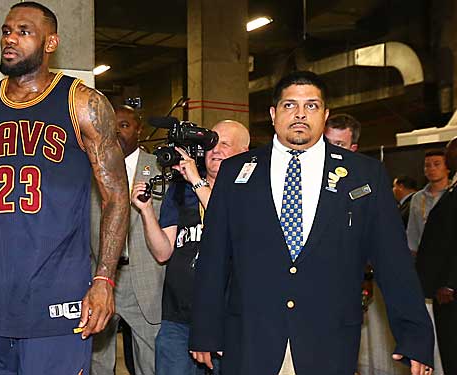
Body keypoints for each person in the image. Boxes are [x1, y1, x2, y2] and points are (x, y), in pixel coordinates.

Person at [189, 71, 434, 375]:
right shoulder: (235, 173)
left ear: (325, 115)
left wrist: (415, 336)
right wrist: (204, 327)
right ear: (273, 113)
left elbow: (393, 260)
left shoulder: (364, 175)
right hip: (251, 338)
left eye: (312, 106)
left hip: (329, 341)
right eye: (290, 105)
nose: (301, 114)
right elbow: (213, 257)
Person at [0, 2, 129, 374]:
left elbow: (116, 197)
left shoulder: (83, 104)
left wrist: (105, 278)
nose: (10, 39)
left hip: (60, 301)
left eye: (24, 32)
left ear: (50, 42)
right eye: (7, 31)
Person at [132, 120, 250, 375]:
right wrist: (145, 212)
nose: (216, 150)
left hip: (227, 318)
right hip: (178, 317)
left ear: (243, 152)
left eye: (226, 145)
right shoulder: (180, 190)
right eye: (212, 143)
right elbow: (163, 252)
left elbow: (230, 224)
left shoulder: (249, 191)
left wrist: (196, 181)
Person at [90, 105, 165, 375]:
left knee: (150, 360)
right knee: (98, 359)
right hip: (100, 278)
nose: (117, 131)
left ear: (138, 130)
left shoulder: (159, 168)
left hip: (144, 279)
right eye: (112, 126)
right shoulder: (92, 168)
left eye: (124, 125)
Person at [416, 137, 457, 375]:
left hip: (449, 291)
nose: (448, 154)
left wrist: (451, 283)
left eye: (451, 151)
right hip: (443, 289)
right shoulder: (452, 188)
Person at [406, 150, 450, 255]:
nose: (432, 169)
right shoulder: (417, 198)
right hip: (425, 257)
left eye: (437, 164)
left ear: (447, 168)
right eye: (427, 165)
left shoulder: (452, 193)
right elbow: (412, 233)